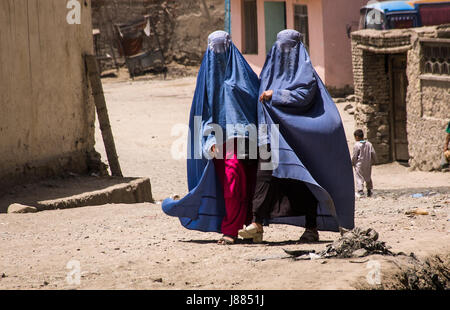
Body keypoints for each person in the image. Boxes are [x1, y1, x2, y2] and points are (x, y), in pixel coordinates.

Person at [238, 29, 355, 243]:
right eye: (280, 46)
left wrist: (278, 94)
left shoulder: (305, 72)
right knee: (264, 176)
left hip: (296, 136)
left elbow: (305, 96)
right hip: (270, 133)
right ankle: (257, 224)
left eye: (288, 47)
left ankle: (311, 228)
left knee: (301, 181)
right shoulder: (269, 71)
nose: (283, 51)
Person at [162, 31, 259, 245]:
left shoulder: (244, 74)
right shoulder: (206, 78)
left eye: (222, 48)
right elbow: (203, 111)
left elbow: (255, 100)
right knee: (232, 183)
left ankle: (250, 227)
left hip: (247, 140)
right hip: (220, 143)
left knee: (248, 185)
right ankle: (231, 229)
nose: (219, 54)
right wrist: (209, 140)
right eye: (214, 49)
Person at [351, 129, 377, 197]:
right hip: (368, 163)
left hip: (359, 164)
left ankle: (360, 191)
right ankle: (369, 190)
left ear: (357, 137)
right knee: (368, 176)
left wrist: (352, 162)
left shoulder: (357, 145)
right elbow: (373, 153)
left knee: (359, 177)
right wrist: (375, 161)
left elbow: (354, 155)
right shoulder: (369, 144)